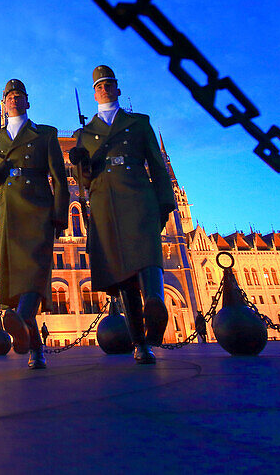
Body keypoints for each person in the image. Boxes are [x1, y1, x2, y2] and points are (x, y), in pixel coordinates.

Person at [70, 65, 176, 365]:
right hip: (105, 204)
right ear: (94, 94)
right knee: (124, 276)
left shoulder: (139, 123)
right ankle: (141, 343)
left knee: (146, 252)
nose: (104, 88)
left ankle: (155, 301)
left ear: (118, 88)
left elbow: (157, 165)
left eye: (109, 83)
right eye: (99, 85)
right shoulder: (85, 134)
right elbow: (85, 183)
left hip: (138, 195)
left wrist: (165, 203)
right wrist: (80, 164)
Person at [0, 79, 69, 370]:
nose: (14, 99)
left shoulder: (44, 135)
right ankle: (36, 350)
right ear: (3, 104)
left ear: (28, 102)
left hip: (38, 207)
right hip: (8, 212)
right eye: (9, 96)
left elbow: (60, 178)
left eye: (19, 95)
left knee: (35, 269)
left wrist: (60, 215)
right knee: (18, 280)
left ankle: (19, 319)